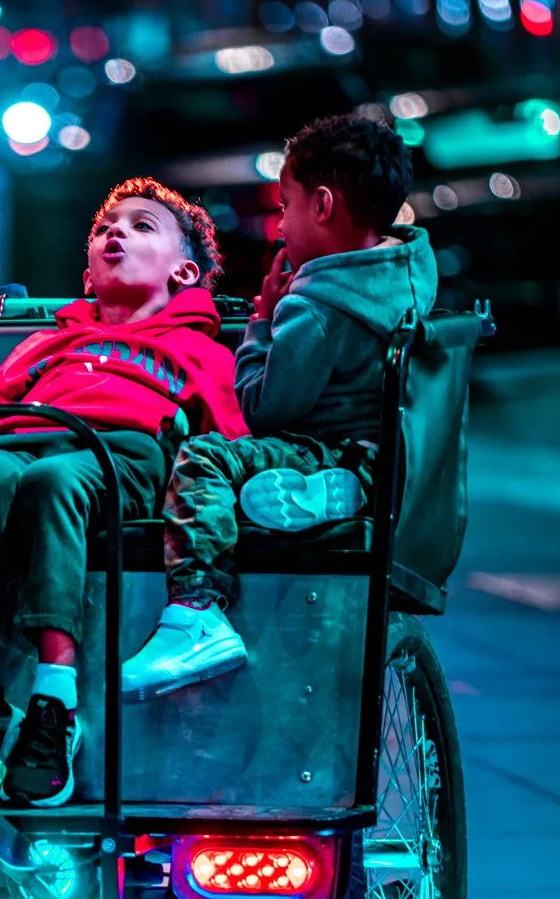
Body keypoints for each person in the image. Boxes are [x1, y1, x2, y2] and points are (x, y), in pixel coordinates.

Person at [0, 179, 244, 806]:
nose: (116, 232)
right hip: (25, 445)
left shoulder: (198, 350)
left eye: (141, 226)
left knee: (55, 482)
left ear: (184, 271)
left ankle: (55, 703)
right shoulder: (43, 345)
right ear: (87, 273)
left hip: (121, 454)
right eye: (106, 226)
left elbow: (228, 441)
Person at [121, 113, 437, 700]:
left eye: (285, 205)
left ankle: (197, 613)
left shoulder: (315, 306)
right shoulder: (405, 274)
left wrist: (263, 324)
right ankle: (340, 490)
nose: (281, 224)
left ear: (322, 205)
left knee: (205, 458)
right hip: (382, 456)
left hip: (320, 448)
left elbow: (264, 409)